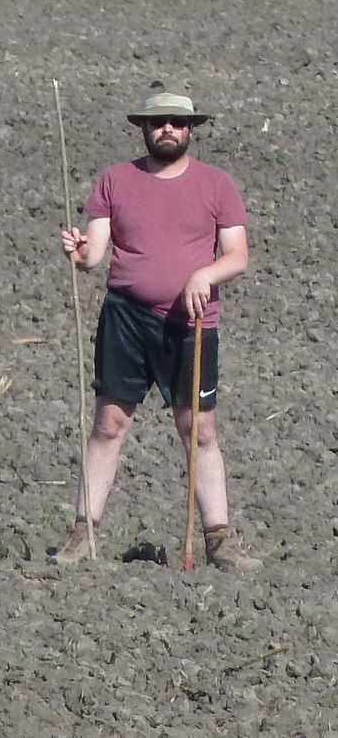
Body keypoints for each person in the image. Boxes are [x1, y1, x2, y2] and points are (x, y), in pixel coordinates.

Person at [51, 81, 261, 573]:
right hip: (125, 317)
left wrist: (203, 275)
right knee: (109, 423)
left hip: (191, 322)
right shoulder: (115, 182)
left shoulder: (217, 185)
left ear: (191, 130)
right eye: (158, 122)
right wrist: (77, 250)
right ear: (143, 129)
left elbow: (238, 256)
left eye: (178, 122)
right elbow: (94, 256)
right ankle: (83, 534)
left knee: (199, 429)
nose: (168, 129)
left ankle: (219, 539)